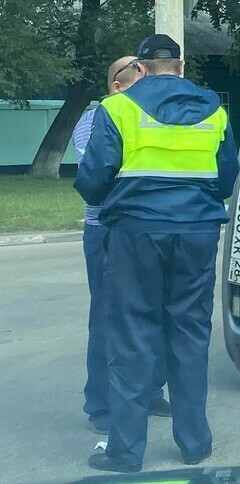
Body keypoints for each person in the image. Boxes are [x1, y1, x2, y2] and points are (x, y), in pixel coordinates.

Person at [75, 34, 239, 474]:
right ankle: (194, 443)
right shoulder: (215, 109)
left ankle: (125, 453)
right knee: (189, 331)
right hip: (198, 233)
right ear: (182, 67)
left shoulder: (117, 109)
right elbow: (226, 179)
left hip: (136, 232)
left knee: (132, 333)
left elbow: (92, 180)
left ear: (142, 68)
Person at [71, 56, 171, 435]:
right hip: (107, 231)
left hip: (148, 228)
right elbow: (96, 179)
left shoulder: (148, 114)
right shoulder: (94, 120)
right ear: (117, 84)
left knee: (154, 310)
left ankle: (149, 390)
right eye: (138, 78)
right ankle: (100, 402)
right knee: (109, 317)